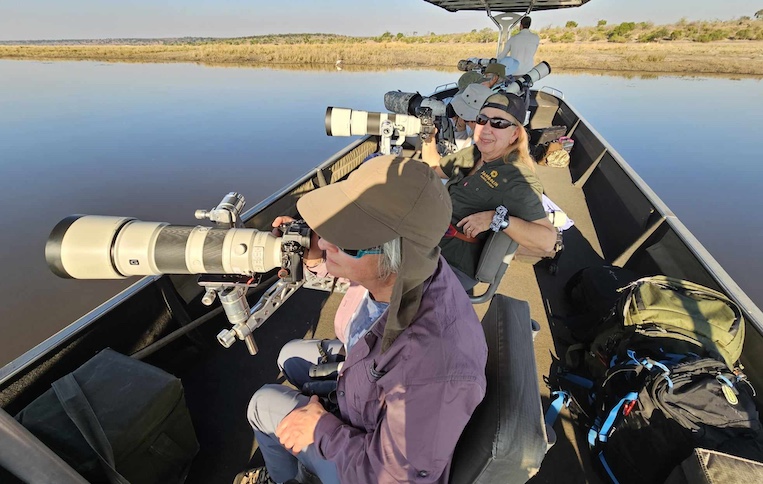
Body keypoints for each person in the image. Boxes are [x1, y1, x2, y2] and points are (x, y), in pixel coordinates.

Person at [243, 155, 488, 484]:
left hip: (371, 465)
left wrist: (321, 428)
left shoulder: (431, 364)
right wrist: (317, 255)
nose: (326, 239)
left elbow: (394, 475)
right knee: (289, 354)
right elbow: (361, 273)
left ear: (395, 257)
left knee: (262, 404)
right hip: (365, 388)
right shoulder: (411, 268)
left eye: (344, 239)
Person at [421, 92, 557, 289]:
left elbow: (547, 240)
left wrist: (497, 219)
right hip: (429, 245)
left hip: (450, 266)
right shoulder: (477, 153)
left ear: (515, 134)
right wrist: (428, 135)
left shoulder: (517, 178)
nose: (485, 129)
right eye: (482, 120)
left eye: (499, 123)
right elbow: (434, 168)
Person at [449, 83, 494, 149]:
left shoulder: (485, 139)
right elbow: (464, 150)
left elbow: (466, 155)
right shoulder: (479, 130)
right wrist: (461, 129)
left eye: (467, 121)